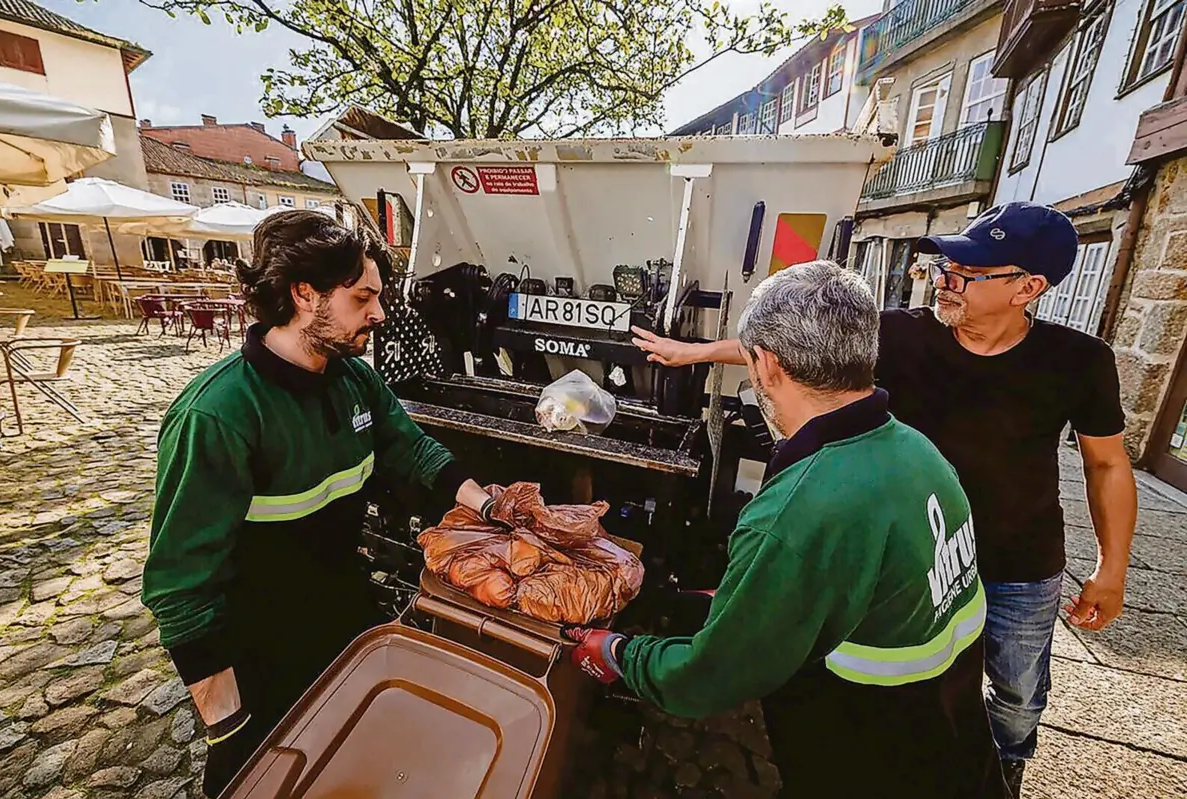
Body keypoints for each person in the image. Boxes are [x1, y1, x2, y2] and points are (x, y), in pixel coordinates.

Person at [626, 202, 1138, 795]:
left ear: (1028, 287)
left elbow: (1107, 463)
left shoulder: (1078, 361)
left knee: (1017, 693)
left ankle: (1005, 768)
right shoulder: (901, 332)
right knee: (916, 671)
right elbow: (789, 349)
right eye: (945, 268)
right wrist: (693, 352)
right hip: (905, 547)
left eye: (966, 274)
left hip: (1016, 558)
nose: (944, 281)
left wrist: (1112, 568)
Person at [567, 261, 1008, 798]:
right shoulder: (918, 453)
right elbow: (880, 582)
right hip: (957, 749)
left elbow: (708, 677)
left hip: (865, 761)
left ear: (767, 365)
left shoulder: (795, 513)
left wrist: (619, 654)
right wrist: (747, 596)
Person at [142, 210, 502, 798]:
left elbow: (412, 450)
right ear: (304, 294)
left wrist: (491, 511)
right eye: (362, 298)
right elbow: (180, 589)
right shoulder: (219, 415)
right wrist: (227, 727)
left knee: (367, 763)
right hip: (262, 645)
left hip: (344, 612)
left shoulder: (353, 379)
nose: (380, 314)